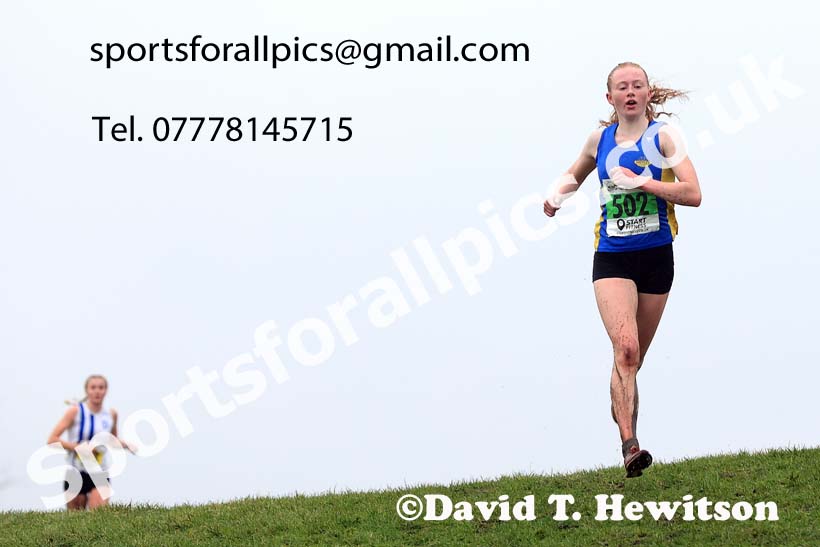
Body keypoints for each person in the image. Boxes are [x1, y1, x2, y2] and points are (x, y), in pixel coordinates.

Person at [543, 62, 702, 477]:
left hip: (656, 257)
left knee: (632, 361)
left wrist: (643, 184)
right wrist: (554, 196)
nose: (630, 92)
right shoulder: (600, 139)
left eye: (637, 85)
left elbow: (693, 192)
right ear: (609, 97)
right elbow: (574, 176)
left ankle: (619, 402)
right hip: (612, 256)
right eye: (621, 87)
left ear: (649, 93)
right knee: (626, 350)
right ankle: (630, 446)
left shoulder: (664, 138)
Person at [47, 374, 134, 510]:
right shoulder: (75, 411)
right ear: (87, 391)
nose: (97, 391)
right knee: (75, 522)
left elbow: (112, 440)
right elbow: (52, 440)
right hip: (75, 472)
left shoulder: (111, 414)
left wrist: (127, 445)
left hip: (100, 472)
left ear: (106, 390)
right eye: (93, 387)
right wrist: (78, 447)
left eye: (101, 387)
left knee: (100, 516)